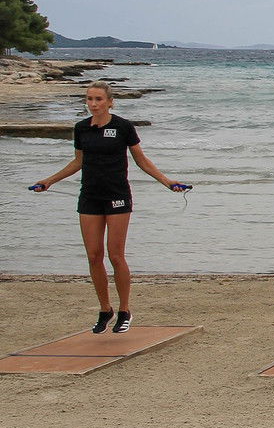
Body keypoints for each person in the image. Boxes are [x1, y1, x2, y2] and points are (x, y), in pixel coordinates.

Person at [31, 81, 188, 334]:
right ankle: (105, 310)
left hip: (117, 196)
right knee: (94, 256)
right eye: (89, 99)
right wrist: (49, 180)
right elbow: (77, 162)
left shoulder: (123, 127)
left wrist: (167, 181)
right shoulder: (81, 128)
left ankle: (125, 310)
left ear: (110, 102)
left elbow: (141, 160)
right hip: (90, 197)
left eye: (98, 99)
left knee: (115, 255)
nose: (93, 104)